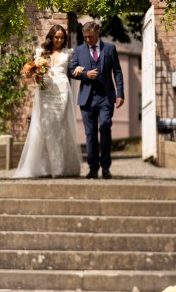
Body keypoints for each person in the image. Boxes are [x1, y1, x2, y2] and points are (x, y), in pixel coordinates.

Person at [14, 24, 82, 179]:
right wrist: (36, 75)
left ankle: (60, 168)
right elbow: (33, 75)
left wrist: (80, 70)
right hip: (46, 92)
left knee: (59, 127)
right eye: (56, 37)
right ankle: (46, 168)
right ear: (51, 37)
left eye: (62, 37)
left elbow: (72, 70)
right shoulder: (41, 53)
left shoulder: (68, 53)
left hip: (62, 92)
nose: (59, 40)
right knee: (46, 128)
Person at [69, 20, 124, 180]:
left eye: (90, 37)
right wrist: (85, 74)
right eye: (85, 37)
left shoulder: (110, 49)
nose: (87, 40)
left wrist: (120, 93)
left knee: (106, 127)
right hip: (86, 98)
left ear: (97, 34)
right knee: (90, 134)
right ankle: (93, 168)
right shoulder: (79, 51)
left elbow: (118, 72)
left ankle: (106, 168)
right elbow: (72, 71)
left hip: (106, 97)